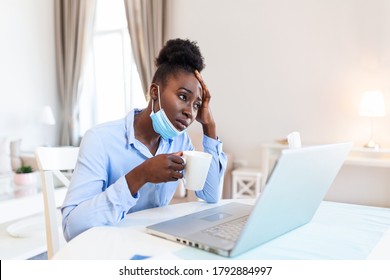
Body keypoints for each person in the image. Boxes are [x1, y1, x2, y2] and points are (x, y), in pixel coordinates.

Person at [61, 38, 227, 241]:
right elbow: (72, 227)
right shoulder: (100, 140)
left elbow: (210, 196)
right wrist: (141, 175)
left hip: (153, 244)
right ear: (154, 92)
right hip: (107, 250)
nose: (189, 112)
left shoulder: (179, 141)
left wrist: (209, 126)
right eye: (183, 97)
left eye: (196, 105)